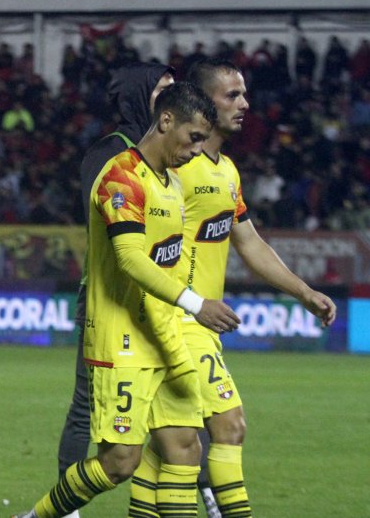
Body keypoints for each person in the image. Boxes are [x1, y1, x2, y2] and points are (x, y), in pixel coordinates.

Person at [13, 82, 241, 518]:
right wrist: (197, 303)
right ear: (166, 120)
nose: (196, 150)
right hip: (121, 344)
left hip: (163, 336)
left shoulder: (173, 183)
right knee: (121, 462)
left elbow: (168, 264)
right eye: (193, 138)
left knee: (185, 449)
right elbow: (132, 259)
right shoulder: (119, 178)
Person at [129, 60, 337, 518]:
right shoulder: (178, 167)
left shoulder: (226, 171)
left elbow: (248, 240)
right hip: (178, 319)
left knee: (167, 447)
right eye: (231, 96)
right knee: (229, 426)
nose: (244, 104)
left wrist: (304, 292)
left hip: (199, 323)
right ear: (202, 102)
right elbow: (135, 246)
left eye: (243, 95)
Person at [54, 62, 175, 509]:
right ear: (136, 95)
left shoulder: (170, 156)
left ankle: (199, 491)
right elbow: (111, 227)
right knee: (85, 404)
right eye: (162, 89)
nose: (172, 96)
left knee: (173, 401)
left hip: (156, 294)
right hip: (109, 295)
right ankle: (63, 503)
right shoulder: (109, 153)